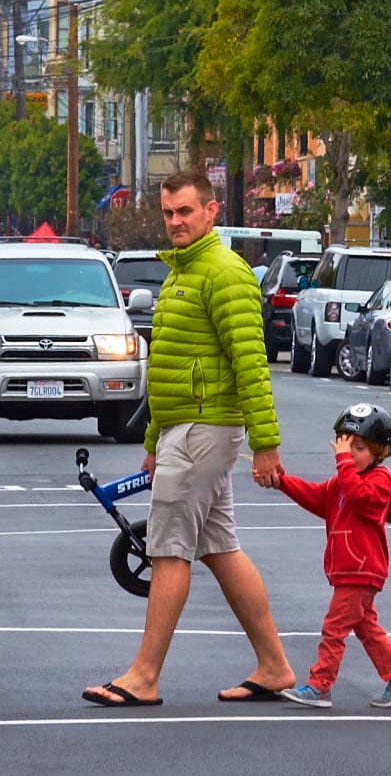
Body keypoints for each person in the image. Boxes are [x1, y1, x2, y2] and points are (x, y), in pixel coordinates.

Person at [82, 168, 294, 708]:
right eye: (169, 212)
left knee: (167, 547)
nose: (175, 222)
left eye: (185, 212)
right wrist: (154, 440)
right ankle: (274, 666)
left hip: (206, 427)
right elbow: (168, 369)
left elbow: (252, 362)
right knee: (219, 548)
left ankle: (144, 676)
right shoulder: (182, 273)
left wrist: (266, 443)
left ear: (211, 211)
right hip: (184, 428)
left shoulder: (224, 273)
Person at [277, 404, 391, 710]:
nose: (350, 453)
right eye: (346, 446)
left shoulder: (379, 480)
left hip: (361, 570)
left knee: (334, 628)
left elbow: (361, 499)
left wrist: (342, 462)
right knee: (366, 627)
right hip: (351, 570)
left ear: (380, 452)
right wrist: (282, 482)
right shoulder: (344, 480)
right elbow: (317, 497)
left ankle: (319, 685)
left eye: (359, 447)